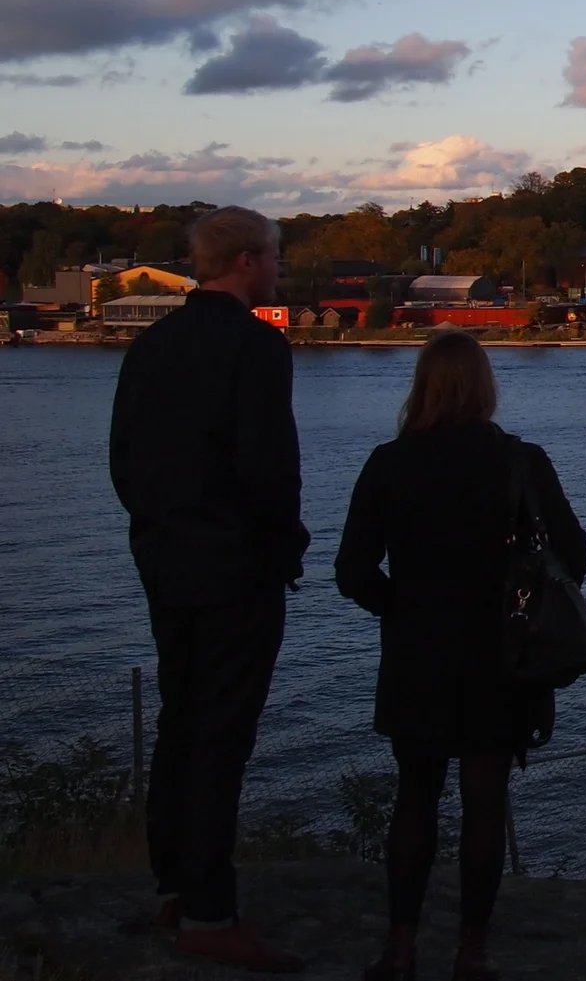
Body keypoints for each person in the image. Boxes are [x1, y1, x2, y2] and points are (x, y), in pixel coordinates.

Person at [335, 330, 586, 981]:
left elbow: (352, 570)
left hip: (416, 655)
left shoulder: (388, 463)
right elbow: (576, 554)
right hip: (499, 656)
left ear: (422, 386)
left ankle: (400, 949)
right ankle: (471, 954)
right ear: (484, 387)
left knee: (414, 798)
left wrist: (399, 608)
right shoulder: (521, 461)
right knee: (484, 800)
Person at [109, 205, 310, 973]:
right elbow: (269, 466)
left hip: (166, 560)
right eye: (276, 256)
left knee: (181, 719)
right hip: (235, 567)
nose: (279, 269)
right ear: (249, 261)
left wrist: (159, 527)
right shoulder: (256, 346)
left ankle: (174, 886)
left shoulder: (151, 344)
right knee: (223, 733)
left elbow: (123, 457)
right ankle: (210, 911)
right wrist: (284, 547)